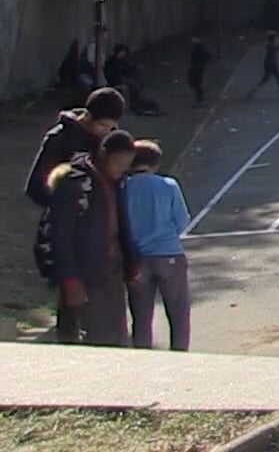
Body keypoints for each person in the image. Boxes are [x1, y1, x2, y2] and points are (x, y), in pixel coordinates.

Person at [41, 129, 138, 346]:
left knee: (117, 337)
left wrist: (131, 262)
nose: (121, 170)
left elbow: (122, 224)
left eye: (126, 165)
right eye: (118, 163)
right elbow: (61, 236)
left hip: (111, 270)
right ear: (103, 154)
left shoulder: (116, 182)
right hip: (85, 273)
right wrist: (71, 281)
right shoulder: (75, 182)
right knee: (94, 340)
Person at [124, 139, 192, 351]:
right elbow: (182, 220)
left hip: (137, 257)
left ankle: (143, 355)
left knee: (141, 316)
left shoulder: (123, 187)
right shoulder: (169, 185)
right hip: (168, 253)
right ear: (156, 164)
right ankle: (179, 353)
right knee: (178, 311)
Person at [24, 87, 124, 209]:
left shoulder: (109, 139)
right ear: (87, 116)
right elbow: (36, 186)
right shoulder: (59, 139)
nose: (107, 131)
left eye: (111, 127)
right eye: (103, 125)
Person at [105, 45, 158, 116]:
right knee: (133, 85)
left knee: (135, 83)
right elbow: (113, 73)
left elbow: (129, 67)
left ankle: (137, 101)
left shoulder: (122, 60)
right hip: (115, 80)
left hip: (121, 79)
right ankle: (135, 103)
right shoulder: (112, 61)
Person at [247, 31, 279, 100]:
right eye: (276, 38)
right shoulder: (271, 46)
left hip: (268, 64)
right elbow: (277, 47)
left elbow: (277, 47)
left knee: (265, 79)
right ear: (273, 39)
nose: (278, 39)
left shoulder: (270, 45)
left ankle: (252, 91)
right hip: (272, 64)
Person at [187, 37, 212, 107]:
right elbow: (209, 57)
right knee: (196, 84)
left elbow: (193, 59)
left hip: (197, 69)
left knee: (196, 84)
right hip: (198, 68)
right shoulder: (200, 48)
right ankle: (201, 98)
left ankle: (200, 100)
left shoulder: (198, 48)